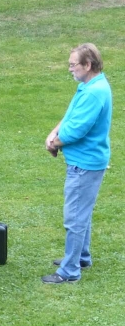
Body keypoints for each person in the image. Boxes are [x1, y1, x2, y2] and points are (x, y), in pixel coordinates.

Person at [42, 43, 112, 284]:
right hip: (85, 161)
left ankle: (70, 271)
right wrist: (53, 132)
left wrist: (55, 143)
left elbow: (77, 130)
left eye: (73, 65)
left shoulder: (94, 92)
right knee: (83, 212)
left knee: (75, 217)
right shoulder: (89, 86)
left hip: (85, 164)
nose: (70, 69)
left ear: (88, 65)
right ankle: (82, 256)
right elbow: (70, 116)